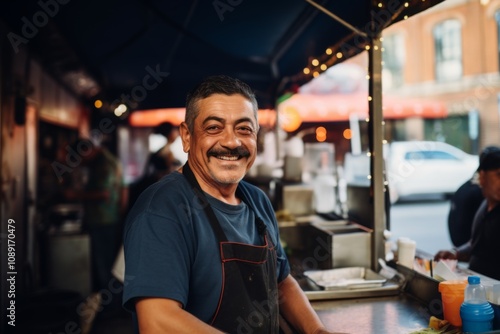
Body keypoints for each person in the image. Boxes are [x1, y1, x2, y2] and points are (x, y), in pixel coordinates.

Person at [123, 75, 342, 333]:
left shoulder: (258, 201)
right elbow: (158, 321)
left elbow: (281, 282)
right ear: (187, 136)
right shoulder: (162, 210)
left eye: (244, 129)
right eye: (214, 128)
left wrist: (318, 331)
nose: (231, 142)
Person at [64, 138, 126, 292]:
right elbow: (124, 190)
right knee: (109, 266)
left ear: (87, 152)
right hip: (109, 219)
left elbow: (103, 194)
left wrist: (76, 195)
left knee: (104, 266)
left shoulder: (103, 165)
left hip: (102, 220)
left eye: (80, 159)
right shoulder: (110, 160)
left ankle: (107, 306)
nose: (81, 163)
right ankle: (109, 304)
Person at [435, 146, 500, 280]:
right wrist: (456, 254)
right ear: (482, 177)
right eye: (499, 175)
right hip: (477, 288)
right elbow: (476, 244)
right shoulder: (484, 205)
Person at [447, 172, 484, 247]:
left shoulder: (466, 187)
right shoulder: (479, 192)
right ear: (483, 175)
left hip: (459, 244)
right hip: (467, 246)